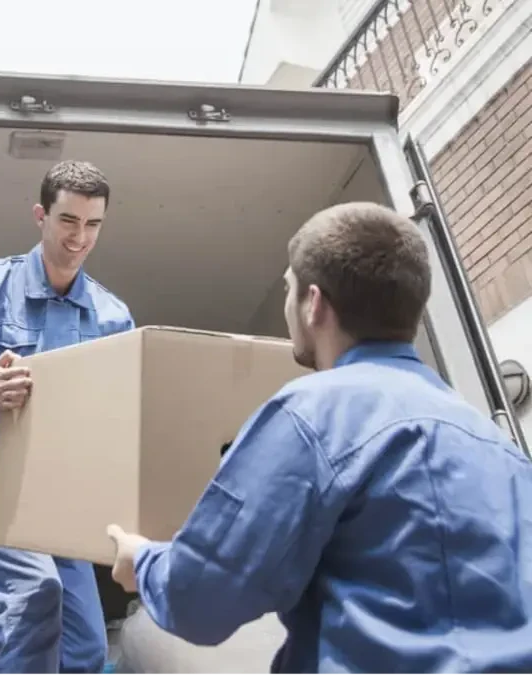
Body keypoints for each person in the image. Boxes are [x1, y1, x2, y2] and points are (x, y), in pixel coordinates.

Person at [107, 202, 532, 673]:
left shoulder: (311, 415)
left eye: (288, 289)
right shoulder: (494, 443)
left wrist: (141, 562)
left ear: (314, 303)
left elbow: (200, 600)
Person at [0, 160, 135, 674]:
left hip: (61, 487)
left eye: (93, 224)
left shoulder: (113, 316)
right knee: (37, 592)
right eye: (68, 221)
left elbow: (120, 416)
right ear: (41, 215)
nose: (80, 237)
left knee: (85, 649)